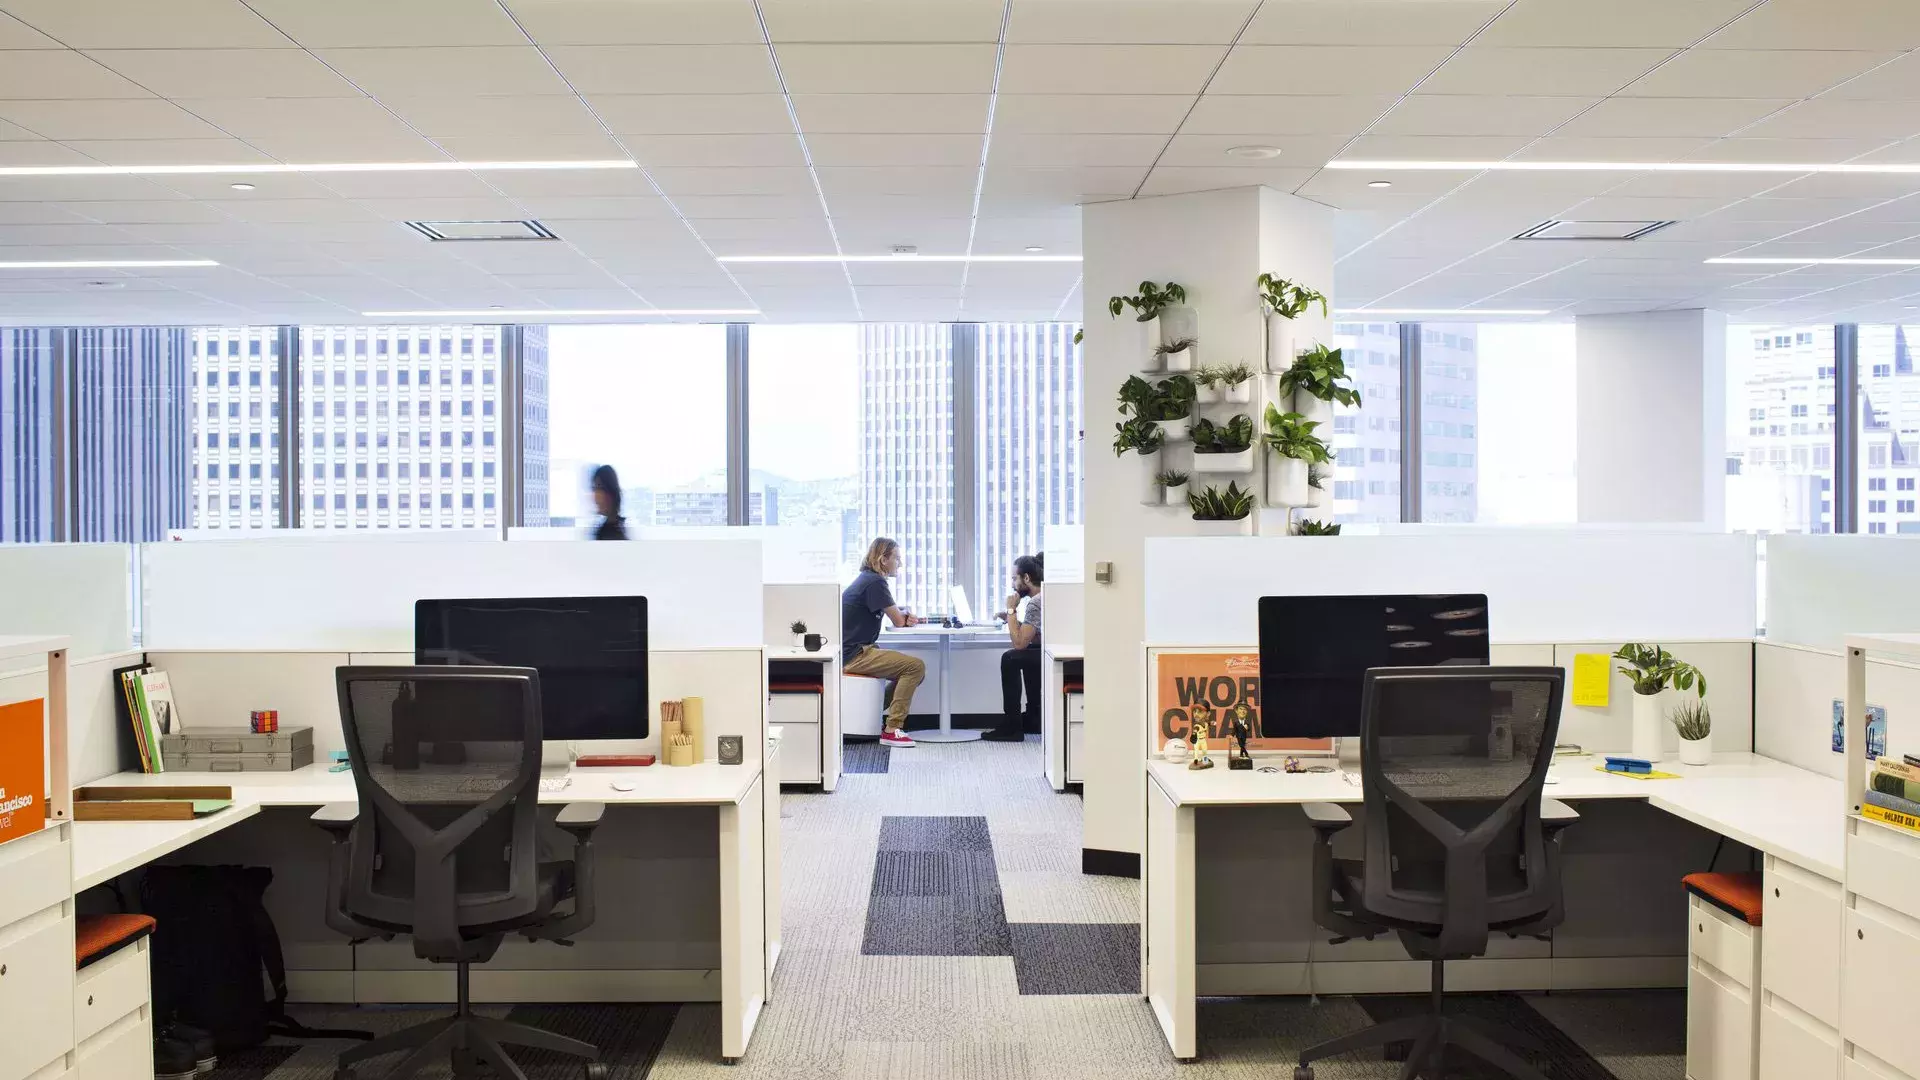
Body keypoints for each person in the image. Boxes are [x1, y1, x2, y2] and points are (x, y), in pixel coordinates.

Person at [842, 538, 925, 748]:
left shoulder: (868, 580)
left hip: (853, 651)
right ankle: (891, 729)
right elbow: (897, 619)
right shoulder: (875, 582)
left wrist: (903, 614)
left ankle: (875, 714)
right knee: (915, 667)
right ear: (883, 559)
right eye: (896, 558)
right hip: (854, 655)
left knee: (914, 671)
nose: (900, 563)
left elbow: (895, 613)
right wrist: (904, 616)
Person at [984, 554, 1044, 742]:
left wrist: (1011, 610)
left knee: (1011, 658)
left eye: (1013, 578)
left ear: (1026, 578)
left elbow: (1019, 643)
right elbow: (1036, 635)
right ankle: (1034, 717)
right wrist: (1012, 620)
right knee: (1025, 655)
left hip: (1053, 655)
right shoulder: (1046, 596)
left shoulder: (1035, 602)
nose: (1012, 584)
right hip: (1052, 650)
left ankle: (1012, 726)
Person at [589, 465, 627, 540]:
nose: (595, 496)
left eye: (599, 488)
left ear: (611, 492)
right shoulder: (609, 528)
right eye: (594, 489)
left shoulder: (611, 534)